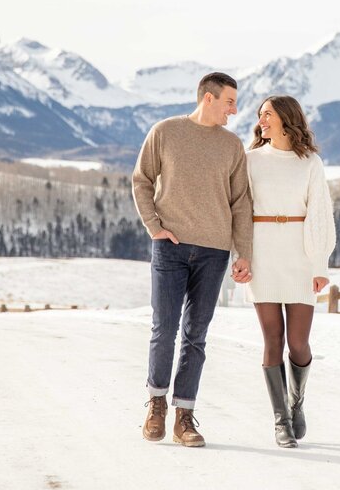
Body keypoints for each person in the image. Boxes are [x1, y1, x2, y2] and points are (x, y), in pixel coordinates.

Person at [132, 72, 254, 448]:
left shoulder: (232, 146)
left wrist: (243, 252)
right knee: (163, 328)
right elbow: (141, 180)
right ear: (209, 98)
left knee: (195, 336)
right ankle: (156, 405)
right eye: (230, 101)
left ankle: (184, 416)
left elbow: (241, 203)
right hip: (170, 246)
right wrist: (154, 227)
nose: (235, 109)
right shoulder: (165, 132)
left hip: (214, 252)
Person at [245, 95, 337, 448]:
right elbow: (240, 212)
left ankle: (296, 402)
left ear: (285, 118)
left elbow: (321, 214)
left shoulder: (310, 162)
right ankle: (280, 420)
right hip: (262, 256)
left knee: (298, 343)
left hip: (299, 256)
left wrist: (319, 264)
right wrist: (243, 256)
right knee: (273, 340)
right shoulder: (250, 160)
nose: (261, 121)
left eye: (267, 114)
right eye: (260, 116)